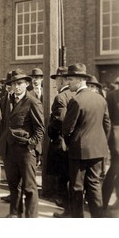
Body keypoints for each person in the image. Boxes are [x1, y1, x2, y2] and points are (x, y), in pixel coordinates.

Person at [62, 63, 111, 218]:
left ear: (80, 80)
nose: (67, 82)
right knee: (94, 186)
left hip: (79, 151)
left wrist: (70, 144)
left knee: (76, 188)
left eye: (70, 79)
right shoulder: (100, 99)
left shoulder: (76, 100)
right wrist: (100, 143)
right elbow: (107, 125)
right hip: (97, 150)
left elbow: (67, 130)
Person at [0, 68, 45, 218]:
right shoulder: (6, 100)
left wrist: (31, 145)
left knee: (29, 187)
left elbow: (40, 128)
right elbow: (2, 122)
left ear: (26, 84)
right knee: (13, 185)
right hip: (9, 150)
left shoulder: (32, 102)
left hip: (25, 151)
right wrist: (2, 141)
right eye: (14, 84)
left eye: (20, 83)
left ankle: (31, 218)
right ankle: (14, 214)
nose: (16, 87)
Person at [45, 66, 74, 218]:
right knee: (72, 178)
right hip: (74, 143)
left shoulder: (61, 97)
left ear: (62, 80)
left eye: (56, 80)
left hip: (61, 143)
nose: (55, 83)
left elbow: (59, 120)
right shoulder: (76, 93)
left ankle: (67, 211)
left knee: (63, 179)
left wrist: (51, 130)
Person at [102, 76, 119, 216]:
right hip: (116, 139)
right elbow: (107, 120)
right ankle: (103, 202)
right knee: (114, 169)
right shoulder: (112, 96)